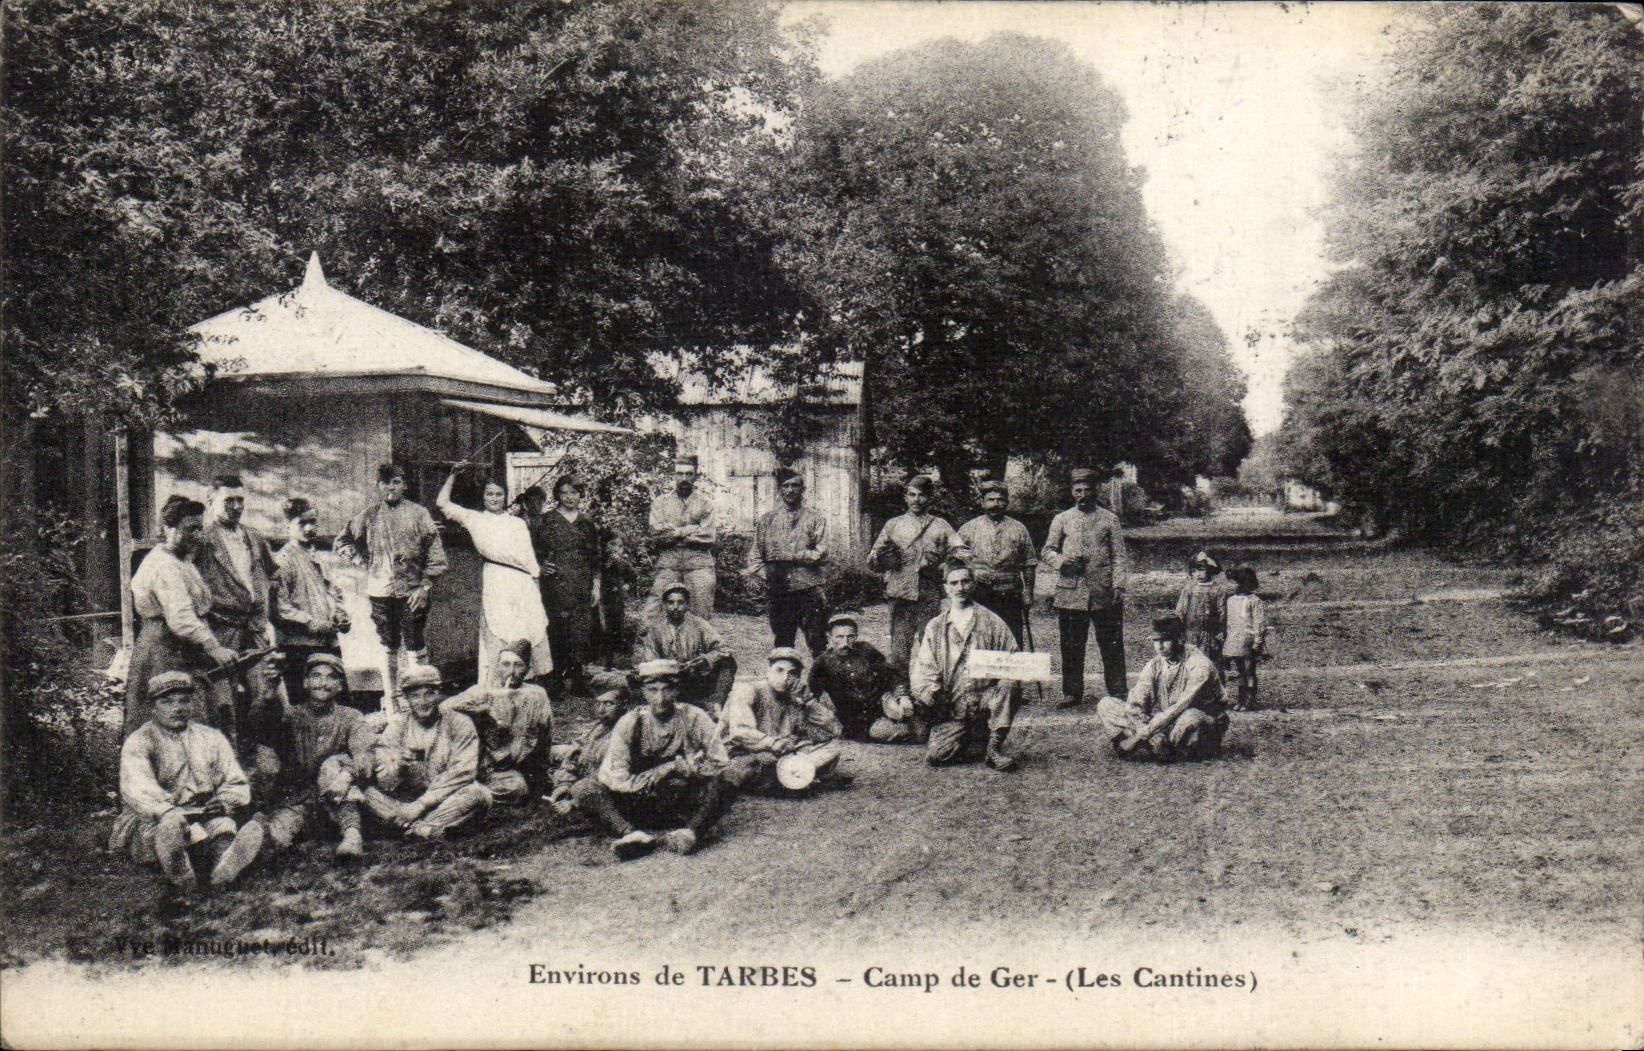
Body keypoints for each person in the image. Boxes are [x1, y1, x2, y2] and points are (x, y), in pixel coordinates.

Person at [109, 672, 254, 893]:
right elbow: (139, 791)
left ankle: (222, 873)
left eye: (184, 701)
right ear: (153, 707)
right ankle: (184, 881)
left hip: (201, 813)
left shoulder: (210, 737)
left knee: (223, 827)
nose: (177, 708)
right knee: (172, 828)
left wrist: (223, 802)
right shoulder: (140, 741)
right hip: (153, 818)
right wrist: (170, 811)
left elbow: (236, 782)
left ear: (192, 704)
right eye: (167, 702)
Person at [577, 659, 734, 860]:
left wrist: (689, 770)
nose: (660, 698)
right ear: (643, 692)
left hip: (682, 801)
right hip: (638, 800)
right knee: (584, 788)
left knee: (730, 778)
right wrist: (663, 769)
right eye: (652, 690)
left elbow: (720, 762)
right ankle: (631, 834)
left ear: (677, 690)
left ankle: (691, 832)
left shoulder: (694, 717)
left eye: (667, 690)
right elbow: (615, 778)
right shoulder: (630, 723)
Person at [337, 464, 448, 710]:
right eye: (385, 482)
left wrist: (424, 586)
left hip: (412, 592)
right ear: (379, 486)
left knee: (414, 644)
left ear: (404, 485)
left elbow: (435, 552)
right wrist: (365, 562)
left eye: (396, 482)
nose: (391, 487)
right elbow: (342, 541)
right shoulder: (369, 514)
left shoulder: (419, 514)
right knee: (387, 644)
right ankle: (392, 701)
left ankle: (420, 700)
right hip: (380, 591)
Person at [125, 496, 239, 736]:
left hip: (182, 647)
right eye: (190, 529)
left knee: (197, 719)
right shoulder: (163, 565)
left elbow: (200, 602)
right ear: (168, 529)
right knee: (166, 719)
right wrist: (214, 647)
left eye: (200, 528)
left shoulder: (183, 560)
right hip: (163, 649)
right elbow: (181, 618)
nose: (197, 535)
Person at [436, 464, 553, 686]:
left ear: (506, 497)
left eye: (499, 494)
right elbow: (442, 504)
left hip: (522, 581)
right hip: (496, 579)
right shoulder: (475, 519)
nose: (494, 498)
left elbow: (529, 558)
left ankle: (524, 684)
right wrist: (453, 475)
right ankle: (497, 684)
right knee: (499, 627)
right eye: (489, 494)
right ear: (483, 497)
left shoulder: (517, 523)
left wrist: (535, 587)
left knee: (528, 627)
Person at [254, 654, 375, 861]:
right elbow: (262, 725)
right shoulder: (291, 715)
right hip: (299, 799)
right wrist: (270, 691)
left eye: (330, 678)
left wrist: (346, 775)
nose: (323, 683)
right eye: (316, 676)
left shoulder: (351, 717)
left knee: (335, 763)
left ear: (339, 686)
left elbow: (364, 756)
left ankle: (352, 837)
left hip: (339, 797)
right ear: (306, 683)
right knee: (275, 840)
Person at [866, 475, 970, 699]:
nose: (916, 500)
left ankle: (930, 691)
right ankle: (901, 693)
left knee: (931, 644)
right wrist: (882, 559)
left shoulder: (940, 525)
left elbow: (961, 551)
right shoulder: (893, 524)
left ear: (929, 498)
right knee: (899, 650)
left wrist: (942, 563)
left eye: (922, 495)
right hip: (900, 594)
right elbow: (873, 559)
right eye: (911, 495)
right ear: (905, 497)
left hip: (928, 593)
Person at [906, 565, 1020, 771]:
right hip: (953, 703)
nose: (960, 588)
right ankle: (974, 736)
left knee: (1010, 683)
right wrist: (931, 693)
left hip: (985, 696)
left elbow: (1013, 658)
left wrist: (997, 672)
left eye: (965, 581)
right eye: (954, 583)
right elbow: (924, 666)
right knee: (937, 754)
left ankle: (993, 749)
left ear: (973, 584)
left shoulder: (992, 621)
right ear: (946, 588)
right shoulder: (935, 626)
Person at [192, 475, 279, 742]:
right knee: (222, 704)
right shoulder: (201, 540)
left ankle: (261, 755)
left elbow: (275, 576)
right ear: (211, 501)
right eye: (229, 500)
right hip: (221, 631)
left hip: (254, 630)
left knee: (266, 694)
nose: (236, 506)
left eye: (240, 500)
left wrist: (268, 617)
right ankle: (226, 759)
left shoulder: (253, 536)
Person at [362, 665, 492, 839]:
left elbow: (463, 772)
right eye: (415, 696)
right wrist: (395, 766)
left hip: (444, 798)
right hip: (406, 801)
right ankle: (423, 829)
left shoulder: (459, 723)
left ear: (439, 694)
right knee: (368, 793)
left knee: (480, 794)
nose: (423, 701)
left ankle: (411, 827)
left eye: (429, 693)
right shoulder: (397, 728)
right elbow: (385, 780)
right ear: (406, 699)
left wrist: (422, 804)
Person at [1042, 467, 1129, 707]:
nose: (1082, 495)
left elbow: (1119, 556)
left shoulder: (1109, 519)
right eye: (1077, 490)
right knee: (1071, 644)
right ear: (1072, 491)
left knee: (1111, 643)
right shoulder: (1062, 519)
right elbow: (1047, 550)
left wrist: (1118, 586)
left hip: (1103, 592)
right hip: (1070, 591)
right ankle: (1072, 692)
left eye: (1087, 490)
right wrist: (1062, 563)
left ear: (1095, 491)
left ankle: (1118, 689)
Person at [1097, 612, 1228, 761]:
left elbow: (1180, 707)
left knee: (1192, 718)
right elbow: (1137, 701)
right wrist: (1142, 726)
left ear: (1180, 639)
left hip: (1200, 719)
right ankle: (1159, 743)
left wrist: (1140, 736)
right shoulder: (1155, 664)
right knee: (1106, 704)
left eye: (1165, 640)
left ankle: (1162, 747)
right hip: (1165, 723)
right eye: (1156, 640)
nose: (1159, 646)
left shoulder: (1199, 665)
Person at [719, 648, 847, 793]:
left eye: (792, 673)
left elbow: (833, 730)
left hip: (781, 754)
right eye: (779, 670)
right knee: (755, 764)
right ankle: (794, 779)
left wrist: (810, 701)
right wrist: (772, 742)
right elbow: (740, 732)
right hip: (744, 752)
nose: (785, 677)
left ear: (798, 677)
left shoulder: (794, 698)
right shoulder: (748, 690)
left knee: (833, 747)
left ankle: (790, 777)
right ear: (768, 671)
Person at [443, 640, 555, 803]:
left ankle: (473, 794)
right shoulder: (484, 691)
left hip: (518, 763)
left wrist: (542, 772)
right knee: (518, 788)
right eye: (506, 665)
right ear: (498, 666)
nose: (511, 672)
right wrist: (482, 710)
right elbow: (445, 707)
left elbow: (546, 735)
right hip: (486, 765)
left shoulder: (536, 695)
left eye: (518, 665)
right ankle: (468, 792)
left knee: (520, 788)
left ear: (528, 670)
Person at [272, 497, 351, 707]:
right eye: (302, 523)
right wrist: (310, 622)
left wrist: (340, 614)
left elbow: (332, 592)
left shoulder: (317, 557)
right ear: (287, 526)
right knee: (305, 707)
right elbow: (280, 608)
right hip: (299, 647)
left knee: (338, 704)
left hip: (326, 643)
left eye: (313, 522)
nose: (309, 528)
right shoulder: (283, 560)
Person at [528, 475, 603, 694]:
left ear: (581, 495)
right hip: (555, 583)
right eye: (565, 493)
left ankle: (578, 678)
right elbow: (532, 552)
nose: (570, 497)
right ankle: (556, 681)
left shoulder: (587, 523)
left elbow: (595, 558)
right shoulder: (545, 521)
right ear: (558, 495)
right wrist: (541, 567)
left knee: (580, 630)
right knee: (556, 629)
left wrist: (596, 585)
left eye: (574, 493)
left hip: (581, 581)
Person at [744, 467, 829, 656]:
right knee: (783, 640)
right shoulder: (767, 520)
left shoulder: (816, 519)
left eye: (795, 485)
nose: (791, 490)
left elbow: (822, 552)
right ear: (780, 490)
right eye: (786, 486)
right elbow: (757, 555)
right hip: (779, 587)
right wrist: (766, 575)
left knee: (817, 640)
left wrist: (797, 556)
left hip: (809, 586)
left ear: (803, 489)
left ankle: (821, 682)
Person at [635, 584, 737, 717]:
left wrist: (704, 659)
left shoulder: (700, 625)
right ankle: (666, 703)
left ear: (687, 605)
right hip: (670, 679)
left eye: (680, 602)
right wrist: (669, 666)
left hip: (697, 678)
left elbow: (722, 649)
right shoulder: (656, 630)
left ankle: (715, 705)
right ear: (664, 605)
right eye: (670, 603)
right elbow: (651, 659)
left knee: (728, 662)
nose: (675, 607)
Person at [957, 480, 1037, 646]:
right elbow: (955, 560)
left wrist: (1028, 591)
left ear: (1007, 502)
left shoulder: (1019, 529)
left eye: (1000, 500)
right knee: (977, 640)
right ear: (982, 502)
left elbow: (1029, 563)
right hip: (979, 593)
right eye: (991, 500)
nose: (995, 504)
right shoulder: (968, 528)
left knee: (1011, 640)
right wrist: (972, 571)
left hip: (1009, 593)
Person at [807, 611, 898, 742]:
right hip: (852, 721)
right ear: (829, 637)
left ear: (856, 636)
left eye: (850, 637)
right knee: (880, 732)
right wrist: (826, 718)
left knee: (917, 727)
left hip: (882, 708)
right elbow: (810, 696)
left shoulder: (865, 650)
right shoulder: (823, 663)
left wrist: (901, 696)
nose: (845, 642)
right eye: (839, 637)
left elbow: (891, 673)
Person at [646, 453, 717, 620]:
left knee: (701, 611)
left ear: (695, 476)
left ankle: (699, 644)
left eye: (688, 474)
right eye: (679, 473)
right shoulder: (660, 503)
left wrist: (677, 532)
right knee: (654, 611)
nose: (684, 478)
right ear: (674, 475)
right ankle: (657, 644)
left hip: (699, 563)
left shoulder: (705, 503)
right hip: (669, 562)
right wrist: (692, 529)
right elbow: (657, 535)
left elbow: (708, 536)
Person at [548, 677, 633, 814]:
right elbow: (578, 752)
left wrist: (573, 802)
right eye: (598, 703)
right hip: (586, 781)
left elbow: (609, 779)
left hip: (610, 791)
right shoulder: (601, 726)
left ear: (624, 704)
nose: (601, 710)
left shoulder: (628, 731)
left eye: (608, 704)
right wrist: (564, 784)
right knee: (550, 752)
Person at [1222, 566, 1269, 711]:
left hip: (1248, 640)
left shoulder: (1255, 601)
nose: (1232, 585)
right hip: (1235, 640)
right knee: (1240, 671)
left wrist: (1258, 641)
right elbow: (1228, 621)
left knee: (1249, 670)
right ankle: (1240, 700)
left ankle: (1250, 700)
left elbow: (1259, 622)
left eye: (1235, 582)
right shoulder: (1230, 600)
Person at [1175, 550, 1229, 662]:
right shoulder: (1189, 589)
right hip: (1190, 633)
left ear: (1209, 570)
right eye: (1194, 571)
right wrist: (1179, 630)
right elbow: (1181, 611)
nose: (1197, 574)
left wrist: (1220, 629)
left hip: (1210, 634)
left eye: (1201, 570)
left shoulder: (1218, 589)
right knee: (1191, 662)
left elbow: (1222, 611)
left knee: (1209, 663)